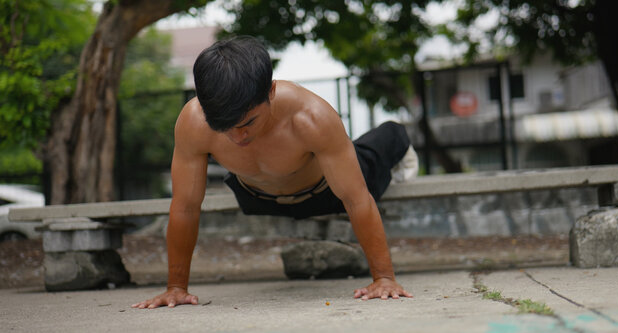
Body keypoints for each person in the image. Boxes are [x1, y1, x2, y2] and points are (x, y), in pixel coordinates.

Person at [132, 36, 415, 309]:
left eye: (248, 122)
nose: (238, 136)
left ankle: (399, 144)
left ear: (271, 92)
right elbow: (185, 206)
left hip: (325, 192)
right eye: (225, 126)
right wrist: (176, 287)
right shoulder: (194, 122)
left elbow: (356, 198)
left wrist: (384, 278)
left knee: (386, 138)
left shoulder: (311, 116)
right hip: (254, 195)